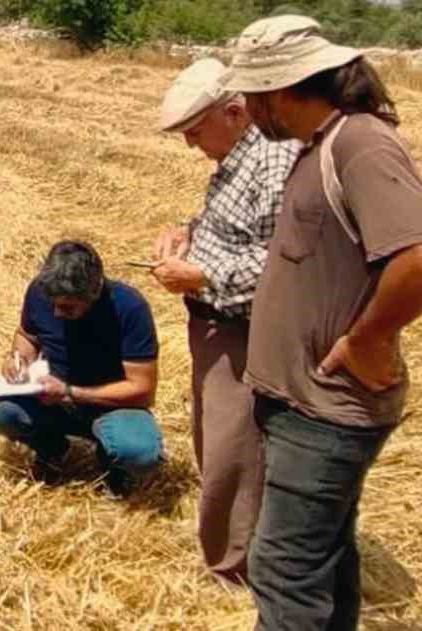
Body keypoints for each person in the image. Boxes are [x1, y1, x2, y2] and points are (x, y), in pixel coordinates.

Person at [221, 15, 422, 631]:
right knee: (324, 559)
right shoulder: (322, 144)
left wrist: (366, 338)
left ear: (280, 88)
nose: (245, 108)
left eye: (250, 93)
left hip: (324, 410)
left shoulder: (360, 144)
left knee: (282, 569)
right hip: (299, 403)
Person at [152, 58, 298, 580]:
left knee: (234, 450)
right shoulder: (239, 159)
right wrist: (186, 233)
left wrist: (200, 275)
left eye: (195, 131)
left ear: (235, 112)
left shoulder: (275, 162)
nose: (192, 145)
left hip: (243, 329)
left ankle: (234, 569)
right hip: (214, 324)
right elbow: (234, 230)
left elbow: (280, 260)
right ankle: (228, 550)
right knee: (216, 441)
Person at [0, 241, 163, 495]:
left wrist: (71, 392)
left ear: (94, 293)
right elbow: (27, 334)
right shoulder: (39, 291)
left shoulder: (130, 308)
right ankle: (52, 450)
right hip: (53, 401)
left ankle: (112, 467)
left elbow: (142, 390)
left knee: (139, 454)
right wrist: (18, 358)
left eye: (68, 307)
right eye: (52, 304)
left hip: (111, 405)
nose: (57, 313)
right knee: (4, 413)